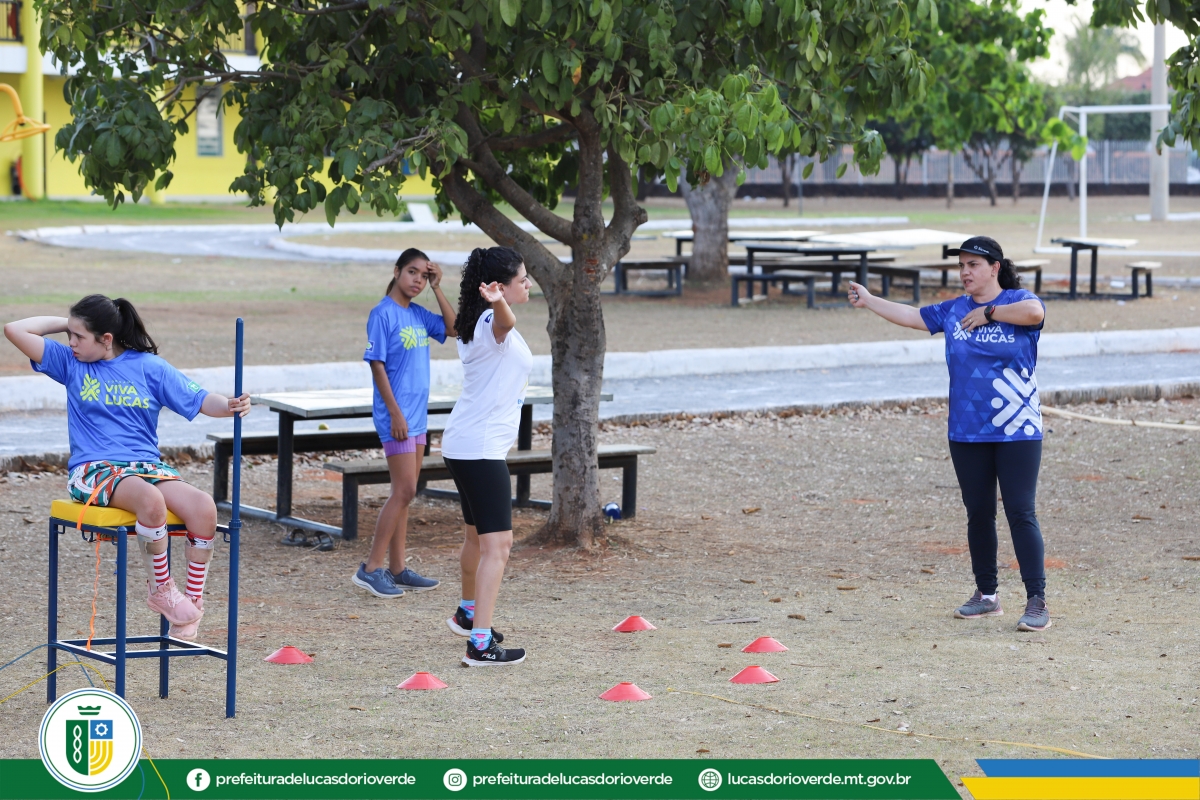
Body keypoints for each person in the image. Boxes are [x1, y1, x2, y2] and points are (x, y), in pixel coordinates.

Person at [3, 295, 250, 640]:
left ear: (107, 338)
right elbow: (14, 330)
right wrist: (70, 323)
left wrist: (230, 405)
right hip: (94, 470)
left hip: (146, 467)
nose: (71, 342)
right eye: (70, 335)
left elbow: (200, 399)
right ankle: (162, 590)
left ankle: (192, 601)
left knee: (203, 506)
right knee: (150, 501)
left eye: (79, 336)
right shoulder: (70, 362)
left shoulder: (150, 367)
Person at [847, 236, 1051, 632]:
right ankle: (987, 596)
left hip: (1017, 428)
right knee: (979, 513)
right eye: (961, 265)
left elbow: (1035, 312)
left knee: (1020, 512)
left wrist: (990, 313)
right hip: (967, 430)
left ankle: (1037, 600)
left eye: (973, 265)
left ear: (994, 268)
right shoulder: (953, 309)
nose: (965, 272)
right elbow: (912, 316)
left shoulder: (1017, 301)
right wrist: (870, 300)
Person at [440, 247, 533, 666]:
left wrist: (496, 302)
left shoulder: (477, 323)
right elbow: (505, 322)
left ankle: (468, 613)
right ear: (498, 287)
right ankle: (480, 644)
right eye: (522, 279)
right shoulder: (491, 323)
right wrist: (498, 303)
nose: (528, 284)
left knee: (476, 538)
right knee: (499, 546)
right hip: (479, 450)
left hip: (465, 444)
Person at [352, 248, 457, 597]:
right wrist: (395, 412)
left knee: (405, 493)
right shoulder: (382, 314)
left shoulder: (418, 314)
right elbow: (376, 365)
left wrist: (438, 287)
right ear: (397, 271)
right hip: (396, 417)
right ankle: (370, 569)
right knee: (405, 490)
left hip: (417, 418)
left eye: (424, 276)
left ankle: (397, 569)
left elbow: (454, 328)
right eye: (412, 272)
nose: (418, 280)